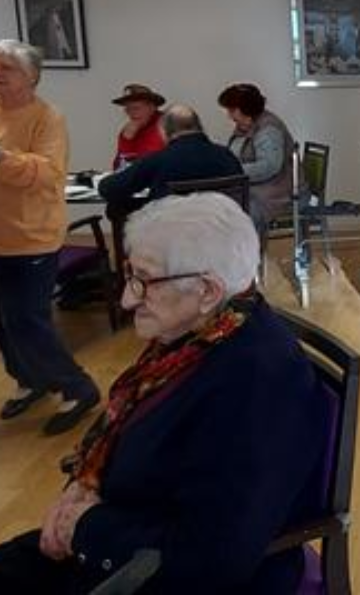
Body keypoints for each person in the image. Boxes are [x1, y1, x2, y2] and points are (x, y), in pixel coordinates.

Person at [0, 193, 331, 592]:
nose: (127, 298)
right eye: (130, 275)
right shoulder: (201, 335)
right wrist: (80, 490)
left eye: (144, 281)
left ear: (207, 291)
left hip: (152, 570)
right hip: (123, 531)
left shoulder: (258, 384)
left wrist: (84, 526)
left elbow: (209, 559)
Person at [0, 40, 100, 436]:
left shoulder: (48, 118)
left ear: (31, 77)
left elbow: (45, 173)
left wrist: (3, 158)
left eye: (6, 68)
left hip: (32, 237)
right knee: (4, 320)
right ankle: (30, 380)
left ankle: (78, 388)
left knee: (28, 318)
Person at [98, 104, 243, 210]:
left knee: (116, 208)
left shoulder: (158, 160)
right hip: (224, 233)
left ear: (164, 131)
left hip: (172, 236)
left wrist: (101, 182)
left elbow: (110, 189)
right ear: (199, 126)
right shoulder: (227, 155)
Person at [218, 83, 293, 232]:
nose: (229, 115)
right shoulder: (245, 125)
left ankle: (246, 246)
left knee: (236, 215)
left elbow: (269, 166)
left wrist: (233, 170)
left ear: (245, 109)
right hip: (257, 189)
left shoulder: (269, 130)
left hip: (276, 194)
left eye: (232, 110)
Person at [111, 84, 166, 170]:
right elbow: (118, 167)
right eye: (127, 109)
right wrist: (126, 141)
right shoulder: (128, 130)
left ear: (152, 107)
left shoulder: (169, 123)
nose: (131, 114)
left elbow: (152, 161)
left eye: (136, 108)